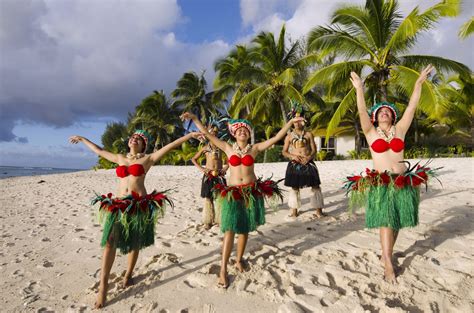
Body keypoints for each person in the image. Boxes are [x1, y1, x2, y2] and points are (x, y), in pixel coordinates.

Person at [69, 129, 201, 308]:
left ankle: (128, 274)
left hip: (138, 205)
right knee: (109, 243)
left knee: (134, 243)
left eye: (139, 139)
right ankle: (103, 287)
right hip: (118, 206)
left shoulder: (148, 159)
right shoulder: (119, 158)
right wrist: (83, 138)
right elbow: (99, 150)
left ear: (143, 145)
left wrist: (190, 136)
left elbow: (171, 146)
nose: (134, 139)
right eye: (132, 137)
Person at [180, 112, 304, 288]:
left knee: (244, 229)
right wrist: (194, 118)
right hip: (232, 192)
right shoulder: (227, 148)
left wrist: (291, 121)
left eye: (245, 130)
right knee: (229, 230)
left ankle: (238, 260)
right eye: (239, 131)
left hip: (250, 192)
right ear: (234, 134)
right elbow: (208, 135)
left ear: (249, 133)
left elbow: (277, 137)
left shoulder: (255, 149)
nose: (242, 132)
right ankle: (223, 269)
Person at [345, 65, 439, 282]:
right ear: (375, 118)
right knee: (386, 221)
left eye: (388, 111)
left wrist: (418, 84)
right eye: (380, 111)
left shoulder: (401, 129)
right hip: (382, 183)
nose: (385, 112)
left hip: (403, 181)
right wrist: (359, 88)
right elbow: (361, 111)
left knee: (396, 221)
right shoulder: (370, 132)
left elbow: (412, 108)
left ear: (393, 117)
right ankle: (388, 262)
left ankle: (385, 254)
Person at [282, 100, 324, 218]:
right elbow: (284, 151)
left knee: (315, 186)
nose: (297, 122)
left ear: (303, 121)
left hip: (308, 162)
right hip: (294, 163)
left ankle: (319, 211)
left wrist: (309, 157)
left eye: (299, 120)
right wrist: (293, 156)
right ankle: (294, 211)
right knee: (295, 187)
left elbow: (314, 150)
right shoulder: (289, 136)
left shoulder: (308, 134)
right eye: (294, 120)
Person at [191, 122, 229, 230]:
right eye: (211, 133)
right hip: (208, 175)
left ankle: (220, 220)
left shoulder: (221, 146)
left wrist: (225, 168)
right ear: (207, 135)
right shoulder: (205, 148)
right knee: (208, 198)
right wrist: (202, 169)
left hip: (219, 175)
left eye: (215, 133)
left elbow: (231, 158)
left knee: (221, 197)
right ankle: (208, 220)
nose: (213, 134)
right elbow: (193, 159)